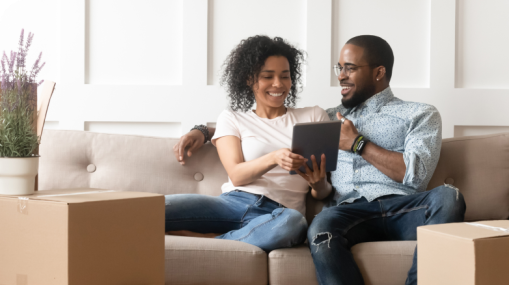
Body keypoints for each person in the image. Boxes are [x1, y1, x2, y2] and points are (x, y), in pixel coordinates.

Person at [177, 35, 466, 285]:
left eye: (350, 68)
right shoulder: (327, 117)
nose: (340, 75)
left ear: (379, 72)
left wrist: (358, 143)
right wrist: (204, 130)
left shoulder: (420, 114)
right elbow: (264, 124)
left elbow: (416, 174)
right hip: (348, 213)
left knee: (449, 196)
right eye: (340, 68)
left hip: (404, 207)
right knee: (321, 226)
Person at [165, 35, 331, 252]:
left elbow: (323, 190)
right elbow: (237, 174)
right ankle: (237, 238)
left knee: (295, 224)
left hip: (279, 214)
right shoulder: (232, 118)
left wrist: (319, 185)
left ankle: (212, 241)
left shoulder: (314, 116)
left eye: (285, 76)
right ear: (248, 79)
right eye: (267, 76)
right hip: (231, 204)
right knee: (151, 208)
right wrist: (274, 157)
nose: (278, 84)